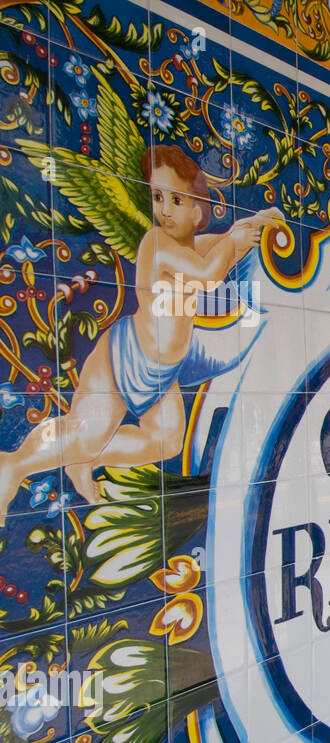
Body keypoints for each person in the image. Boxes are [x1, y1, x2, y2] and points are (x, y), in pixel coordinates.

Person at [0, 145, 283, 524]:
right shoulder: (156, 243)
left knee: (165, 441)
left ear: (197, 212)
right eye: (157, 196)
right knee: (84, 432)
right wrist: (233, 242)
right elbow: (209, 274)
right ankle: (13, 466)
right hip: (123, 359)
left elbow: (219, 251)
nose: (164, 208)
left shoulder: (189, 247)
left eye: (176, 199)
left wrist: (252, 225)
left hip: (162, 373)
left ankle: (85, 461)